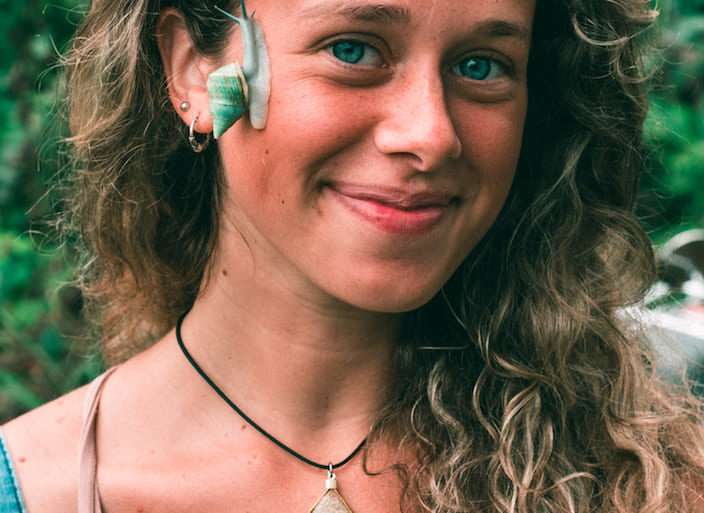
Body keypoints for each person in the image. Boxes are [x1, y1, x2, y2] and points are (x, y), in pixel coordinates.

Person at [1, 0, 703, 512]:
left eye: (481, 66)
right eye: (354, 50)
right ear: (194, 71)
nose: (430, 134)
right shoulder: (35, 487)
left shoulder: (648, 481)